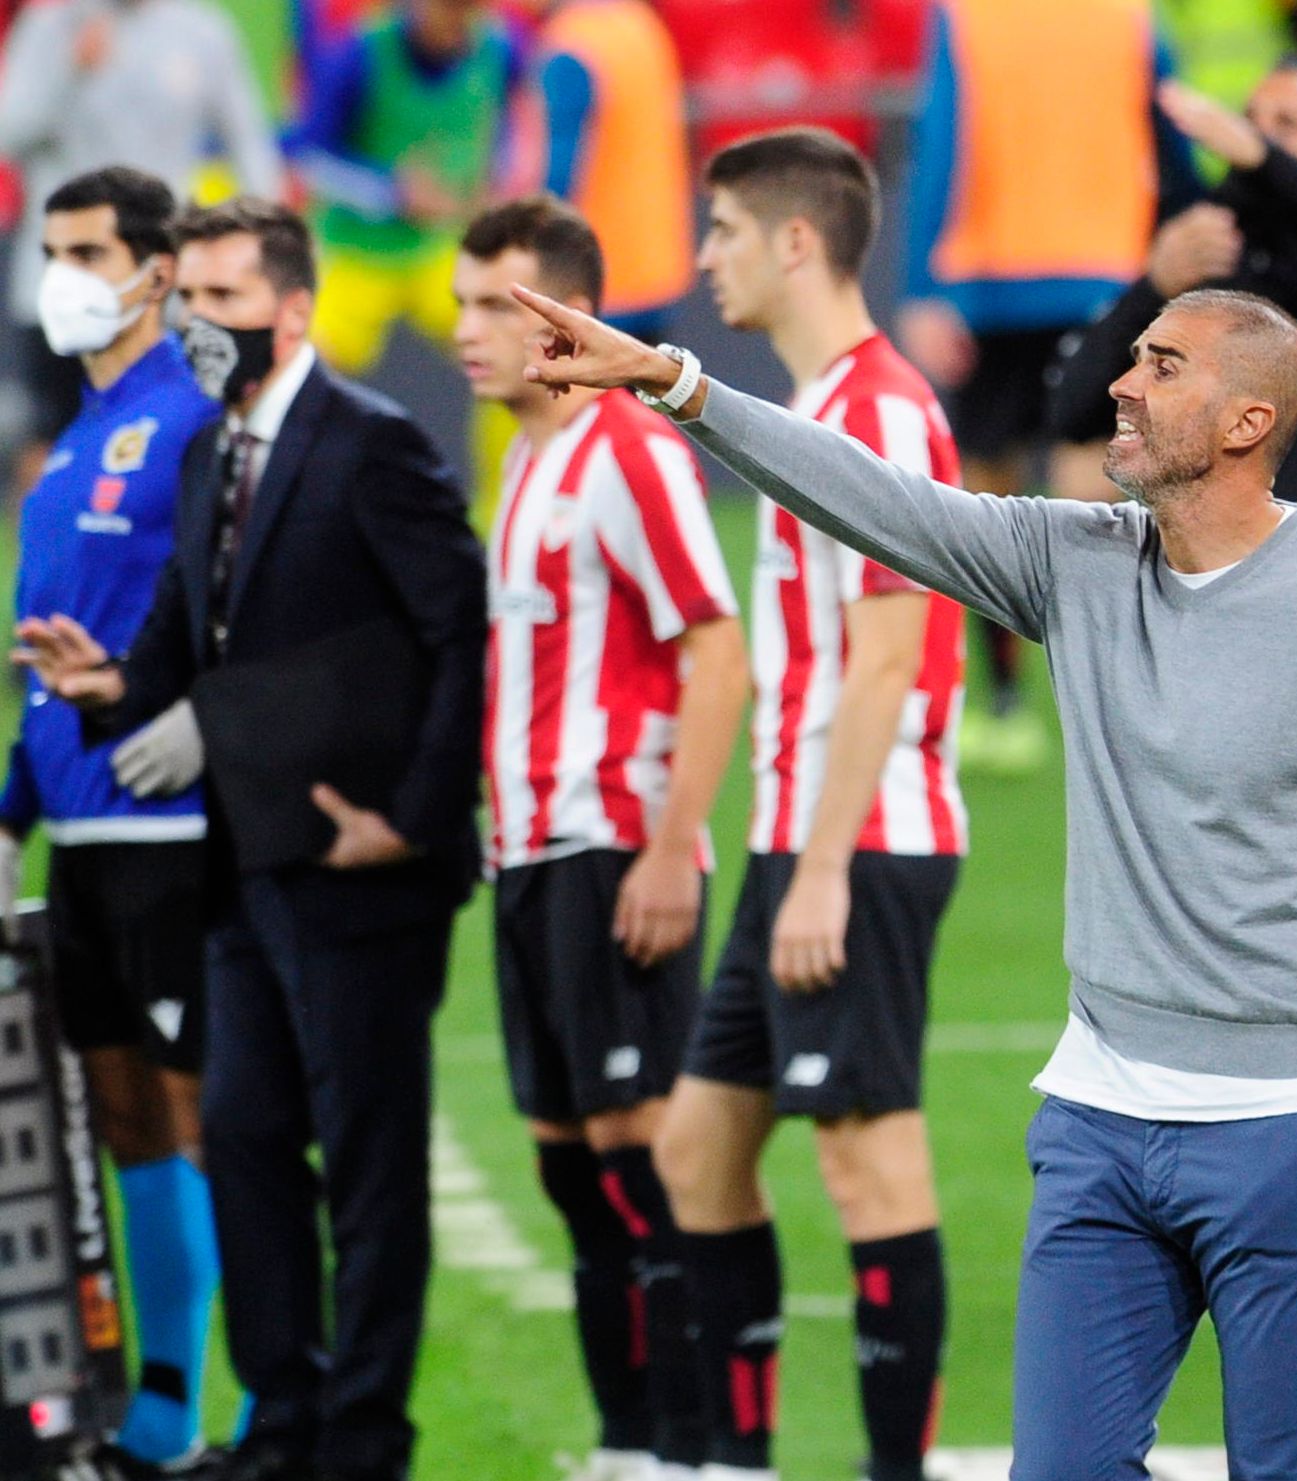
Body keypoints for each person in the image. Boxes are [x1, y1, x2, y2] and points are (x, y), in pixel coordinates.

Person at [508, 283, 1297, 1481]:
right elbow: (874, 499)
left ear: (1246, 422)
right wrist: (677, 383)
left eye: (1162, 365)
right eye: (1131, 357)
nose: (1122, 386)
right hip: (1098, 1122)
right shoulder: (1074, 559)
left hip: (1283, 1134)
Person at [13, 197, 487, 1481]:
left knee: (372, 1170)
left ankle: (363, 1438)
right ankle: (282, 1420)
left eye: (226, 302)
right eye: (192, 303)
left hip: (359, 868)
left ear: (292, 310)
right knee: (251, 1139)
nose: (203, 328)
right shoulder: (211, 455)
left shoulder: (372, 445)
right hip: (241, 862)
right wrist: (110, 685)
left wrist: (416, 819)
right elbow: (186, 625)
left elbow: (455, 635)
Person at [1048, 59, 1297, 1299]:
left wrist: (1258, 156)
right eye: (1252, 126)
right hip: (1224, 639)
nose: (1257, 145)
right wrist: (1154, 284)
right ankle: (1187, 1147)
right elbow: (1074, 406)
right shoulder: (1218, 308)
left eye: (1291, 131)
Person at [640, 128, 967, 1481]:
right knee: (695, 1150)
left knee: (864, 1165)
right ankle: (738, 1456)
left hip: (862, 840)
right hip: (795, 837)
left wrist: (823, 867)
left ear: (791, 241)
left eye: (718, 229)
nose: (702, 255)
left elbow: (890, 652)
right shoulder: (820, 406)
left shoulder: (880, 410)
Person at [452, 195, 748, 1481]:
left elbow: (713, 642)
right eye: (458, 303)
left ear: (559, 312)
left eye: (490, 305)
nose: (466, 332)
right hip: (527, 856)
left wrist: (672, 846)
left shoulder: (627, 447)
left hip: (611, 845)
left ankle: (699, 1446)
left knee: (642, 1161)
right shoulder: (522, 459)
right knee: (573, 1163)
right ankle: (628, 1437)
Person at [0, 166, 222, 1480]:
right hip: (78, 836)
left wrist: (190, 716)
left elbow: (221, 606)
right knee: (123, 1115)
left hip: (170, 823)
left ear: (153, 267)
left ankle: (193, 1412)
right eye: (52, 248)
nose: (63, 274)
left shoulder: (192, 422)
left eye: (89, 249)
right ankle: (157, 1407)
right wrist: (13, 807)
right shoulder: (69, 442)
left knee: (188, 1114)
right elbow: (38, 658)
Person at [898, 0, 1197, 772]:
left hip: (991, 278)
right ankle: (1102, 690)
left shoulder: (965, 16)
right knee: (1091, 477)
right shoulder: (1130, 15)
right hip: (1103, 277)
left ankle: (1001, 699)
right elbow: (1173, 145)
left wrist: (923, 285)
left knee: (990, 493)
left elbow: (940, 146)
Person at [0, 0, 282, 492]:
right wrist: (68, 69)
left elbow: (250, 143)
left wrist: (269, 246)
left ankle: (151, 567)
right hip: (59, 281)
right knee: (50, 442)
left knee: (164, 441)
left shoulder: (202, 30)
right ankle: (46, 566)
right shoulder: (52, 25)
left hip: (157, 286)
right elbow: (8, 132)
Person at [288, 0, 523, 381]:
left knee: (514, 356)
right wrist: (392, 194)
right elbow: (310, 159)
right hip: (356, 253)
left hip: (442, 248)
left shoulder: (500, 48)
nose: (456, 21)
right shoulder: (361, 52)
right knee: (307, 375)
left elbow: (508, 122)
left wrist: (498, 181)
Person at [534, 0, 695, 341]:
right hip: (656, 266)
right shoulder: (640, 22)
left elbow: (556, 173)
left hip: (595, 279)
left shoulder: (573, 42)